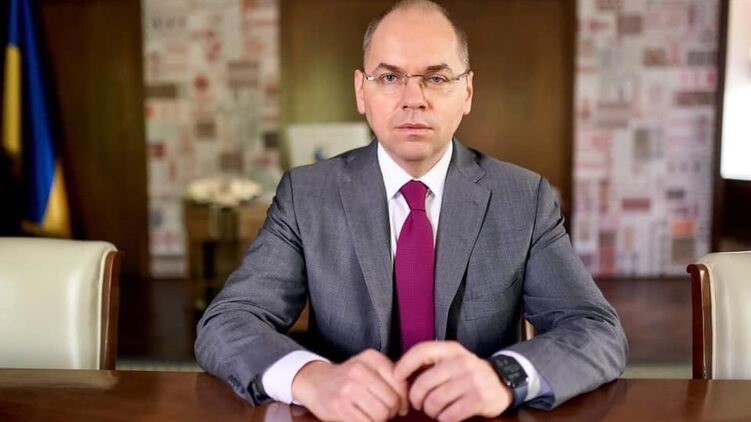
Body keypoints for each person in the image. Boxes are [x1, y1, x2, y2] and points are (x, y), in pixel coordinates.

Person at [195, 1, 628, 421]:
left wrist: (504, 376)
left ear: (467, 92)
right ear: (361, 91)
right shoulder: (307, 195)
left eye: (436, 78)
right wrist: (311, 378)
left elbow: (596, 329)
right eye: (389, 77)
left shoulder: (523, 197)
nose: (413, 99)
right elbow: (228, 321)